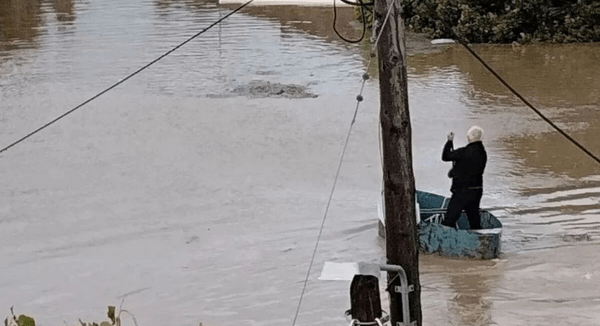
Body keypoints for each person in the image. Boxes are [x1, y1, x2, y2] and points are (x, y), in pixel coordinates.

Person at [441, 126, 487, 229]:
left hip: (462, 191)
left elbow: (446, 156)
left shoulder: (464, 152)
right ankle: (479, 240)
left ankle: (447, 240)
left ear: (469, 137)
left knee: (449, 220)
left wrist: (449, 141)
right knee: (474, 219)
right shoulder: (483, 153)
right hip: (477, 190)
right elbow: (469, 168)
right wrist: (454, 171)